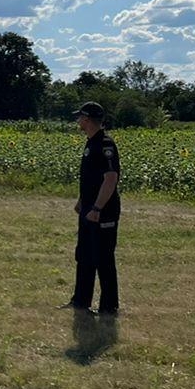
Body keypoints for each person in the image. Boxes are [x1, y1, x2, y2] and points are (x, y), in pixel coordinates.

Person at [65, 102, 121, 317]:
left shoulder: (105, 144)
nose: (78, 121)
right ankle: (80, 300)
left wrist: (97, 207)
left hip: (103, 211)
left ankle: (109, 307)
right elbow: (92, 179)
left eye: (79, 117)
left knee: (103, 257)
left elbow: (110, 178)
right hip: (89, 208)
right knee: (84, 255)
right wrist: (83, 201)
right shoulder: (91, 143)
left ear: (87, 119)